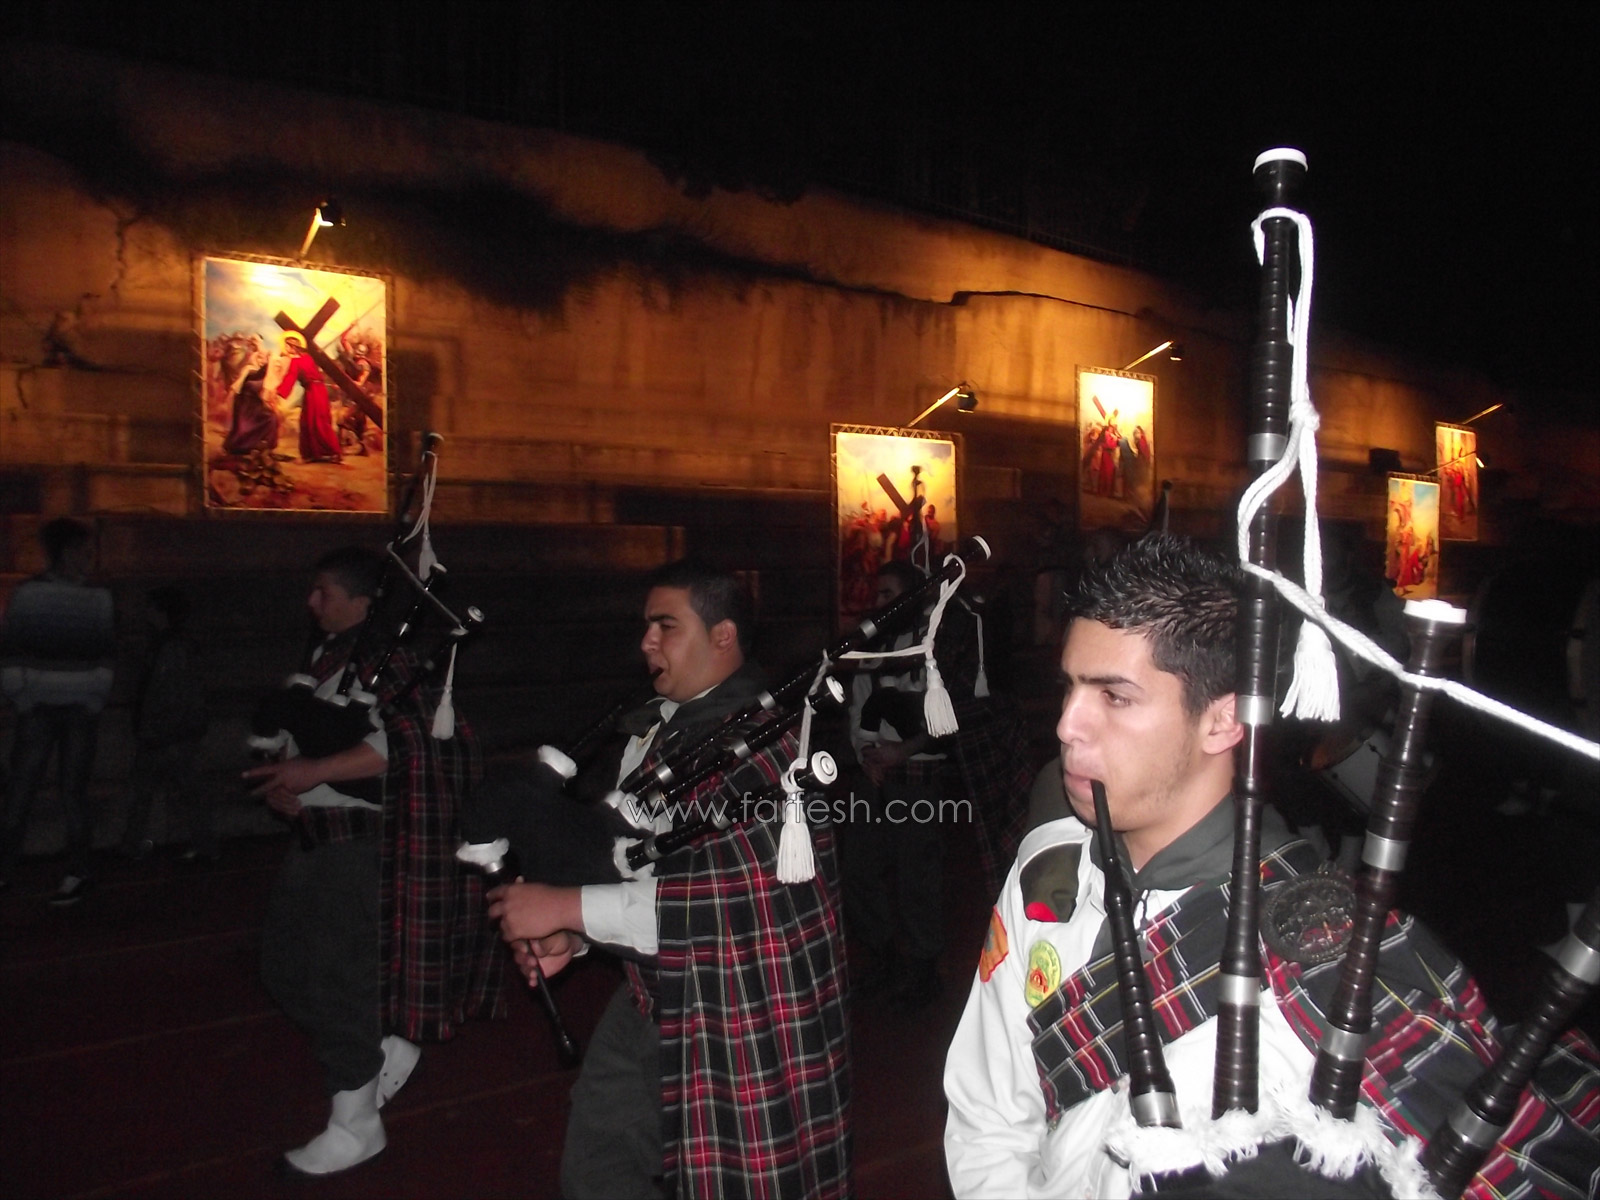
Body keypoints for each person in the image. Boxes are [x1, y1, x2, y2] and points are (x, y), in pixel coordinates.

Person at [943, 534, 1600, 1198]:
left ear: (1223, 721)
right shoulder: (1046, 866)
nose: (1067, 725)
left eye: (1114, 697)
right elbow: (989, 1118)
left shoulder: (1327, 966)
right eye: (1070, 687)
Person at [489, 560, 851, 1199]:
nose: (646, 642)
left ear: (722, 636)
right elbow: (636, 865)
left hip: (740, 1010)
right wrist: (575, 935)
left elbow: (714, 906)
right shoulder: (660, 731)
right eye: (646, 627)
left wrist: (564, 908)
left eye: (666, 626)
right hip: (649, 997)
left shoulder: (766, 752)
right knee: (597, 1168)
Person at [244, 546, 505, 1176]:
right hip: (315, 838)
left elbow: (411, 741)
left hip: (361, 845)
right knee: (283, 968)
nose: (312, 602)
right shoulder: (328, 658)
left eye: (325, 592)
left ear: (363, 601)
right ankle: (383, 1048)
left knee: (335, 980)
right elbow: (301, 741)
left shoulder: (392, 660)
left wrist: (315, 771)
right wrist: (284, 785)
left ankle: (356, 1121)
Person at [844, 559, 948, 1008]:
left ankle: (923, 969)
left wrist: (902, 750)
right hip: (876, 773)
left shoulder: (933, 642)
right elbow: (858, 708)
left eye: (890, 594)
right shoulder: (871, 645)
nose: (880, 602)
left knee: (916, 877)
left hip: (917, 773)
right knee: (858, 869)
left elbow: (945, 715)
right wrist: (867, 754)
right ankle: (884, 956)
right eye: (878, 594)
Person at [0, 518, 115, 904]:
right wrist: (22, 697)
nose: (90, 557)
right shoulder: (29, 594)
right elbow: (11, 653)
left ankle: (78, 871)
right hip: (42, 708)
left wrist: (93, 699)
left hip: (75, 709)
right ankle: (6, 868)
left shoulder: (98, 598)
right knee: (23, 790)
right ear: (65, 552)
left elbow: (105, 655)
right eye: (84, 550)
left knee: (69, 791)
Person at [117, 586, 212, 862]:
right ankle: (202, 844)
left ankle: (136, 844)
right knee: (180, 791)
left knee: (154, 791)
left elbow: (166, 693)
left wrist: (155, 728)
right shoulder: (169, 644)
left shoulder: (171, 647)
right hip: (170, 732)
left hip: (166, 733)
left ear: (161, 612)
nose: (146, 613)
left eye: (151, 608)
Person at [275, 330, 341, 463]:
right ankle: (317, 453)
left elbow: (290, 378)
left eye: (287, 346)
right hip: (317, 390)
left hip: (314, 392)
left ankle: (325, 452)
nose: (285, 348)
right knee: (314, 420)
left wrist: (279, 391)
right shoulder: (308, 358)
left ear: (293, 347)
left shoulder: (296, 361)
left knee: (315, 421)